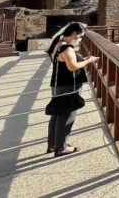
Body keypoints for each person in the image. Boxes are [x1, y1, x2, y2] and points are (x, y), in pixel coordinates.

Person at [45, 22, 98, 157]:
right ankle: (61, 147)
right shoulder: (67, 48)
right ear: (74, 33)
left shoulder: (58, 44)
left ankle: (53, 145)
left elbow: (67, 62)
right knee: (66, 116)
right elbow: (72, 67)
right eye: (80, 35)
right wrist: (89, 60)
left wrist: (81, 58)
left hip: (58, 85)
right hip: (68, 86)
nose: (81, 37)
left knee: (57, 114)